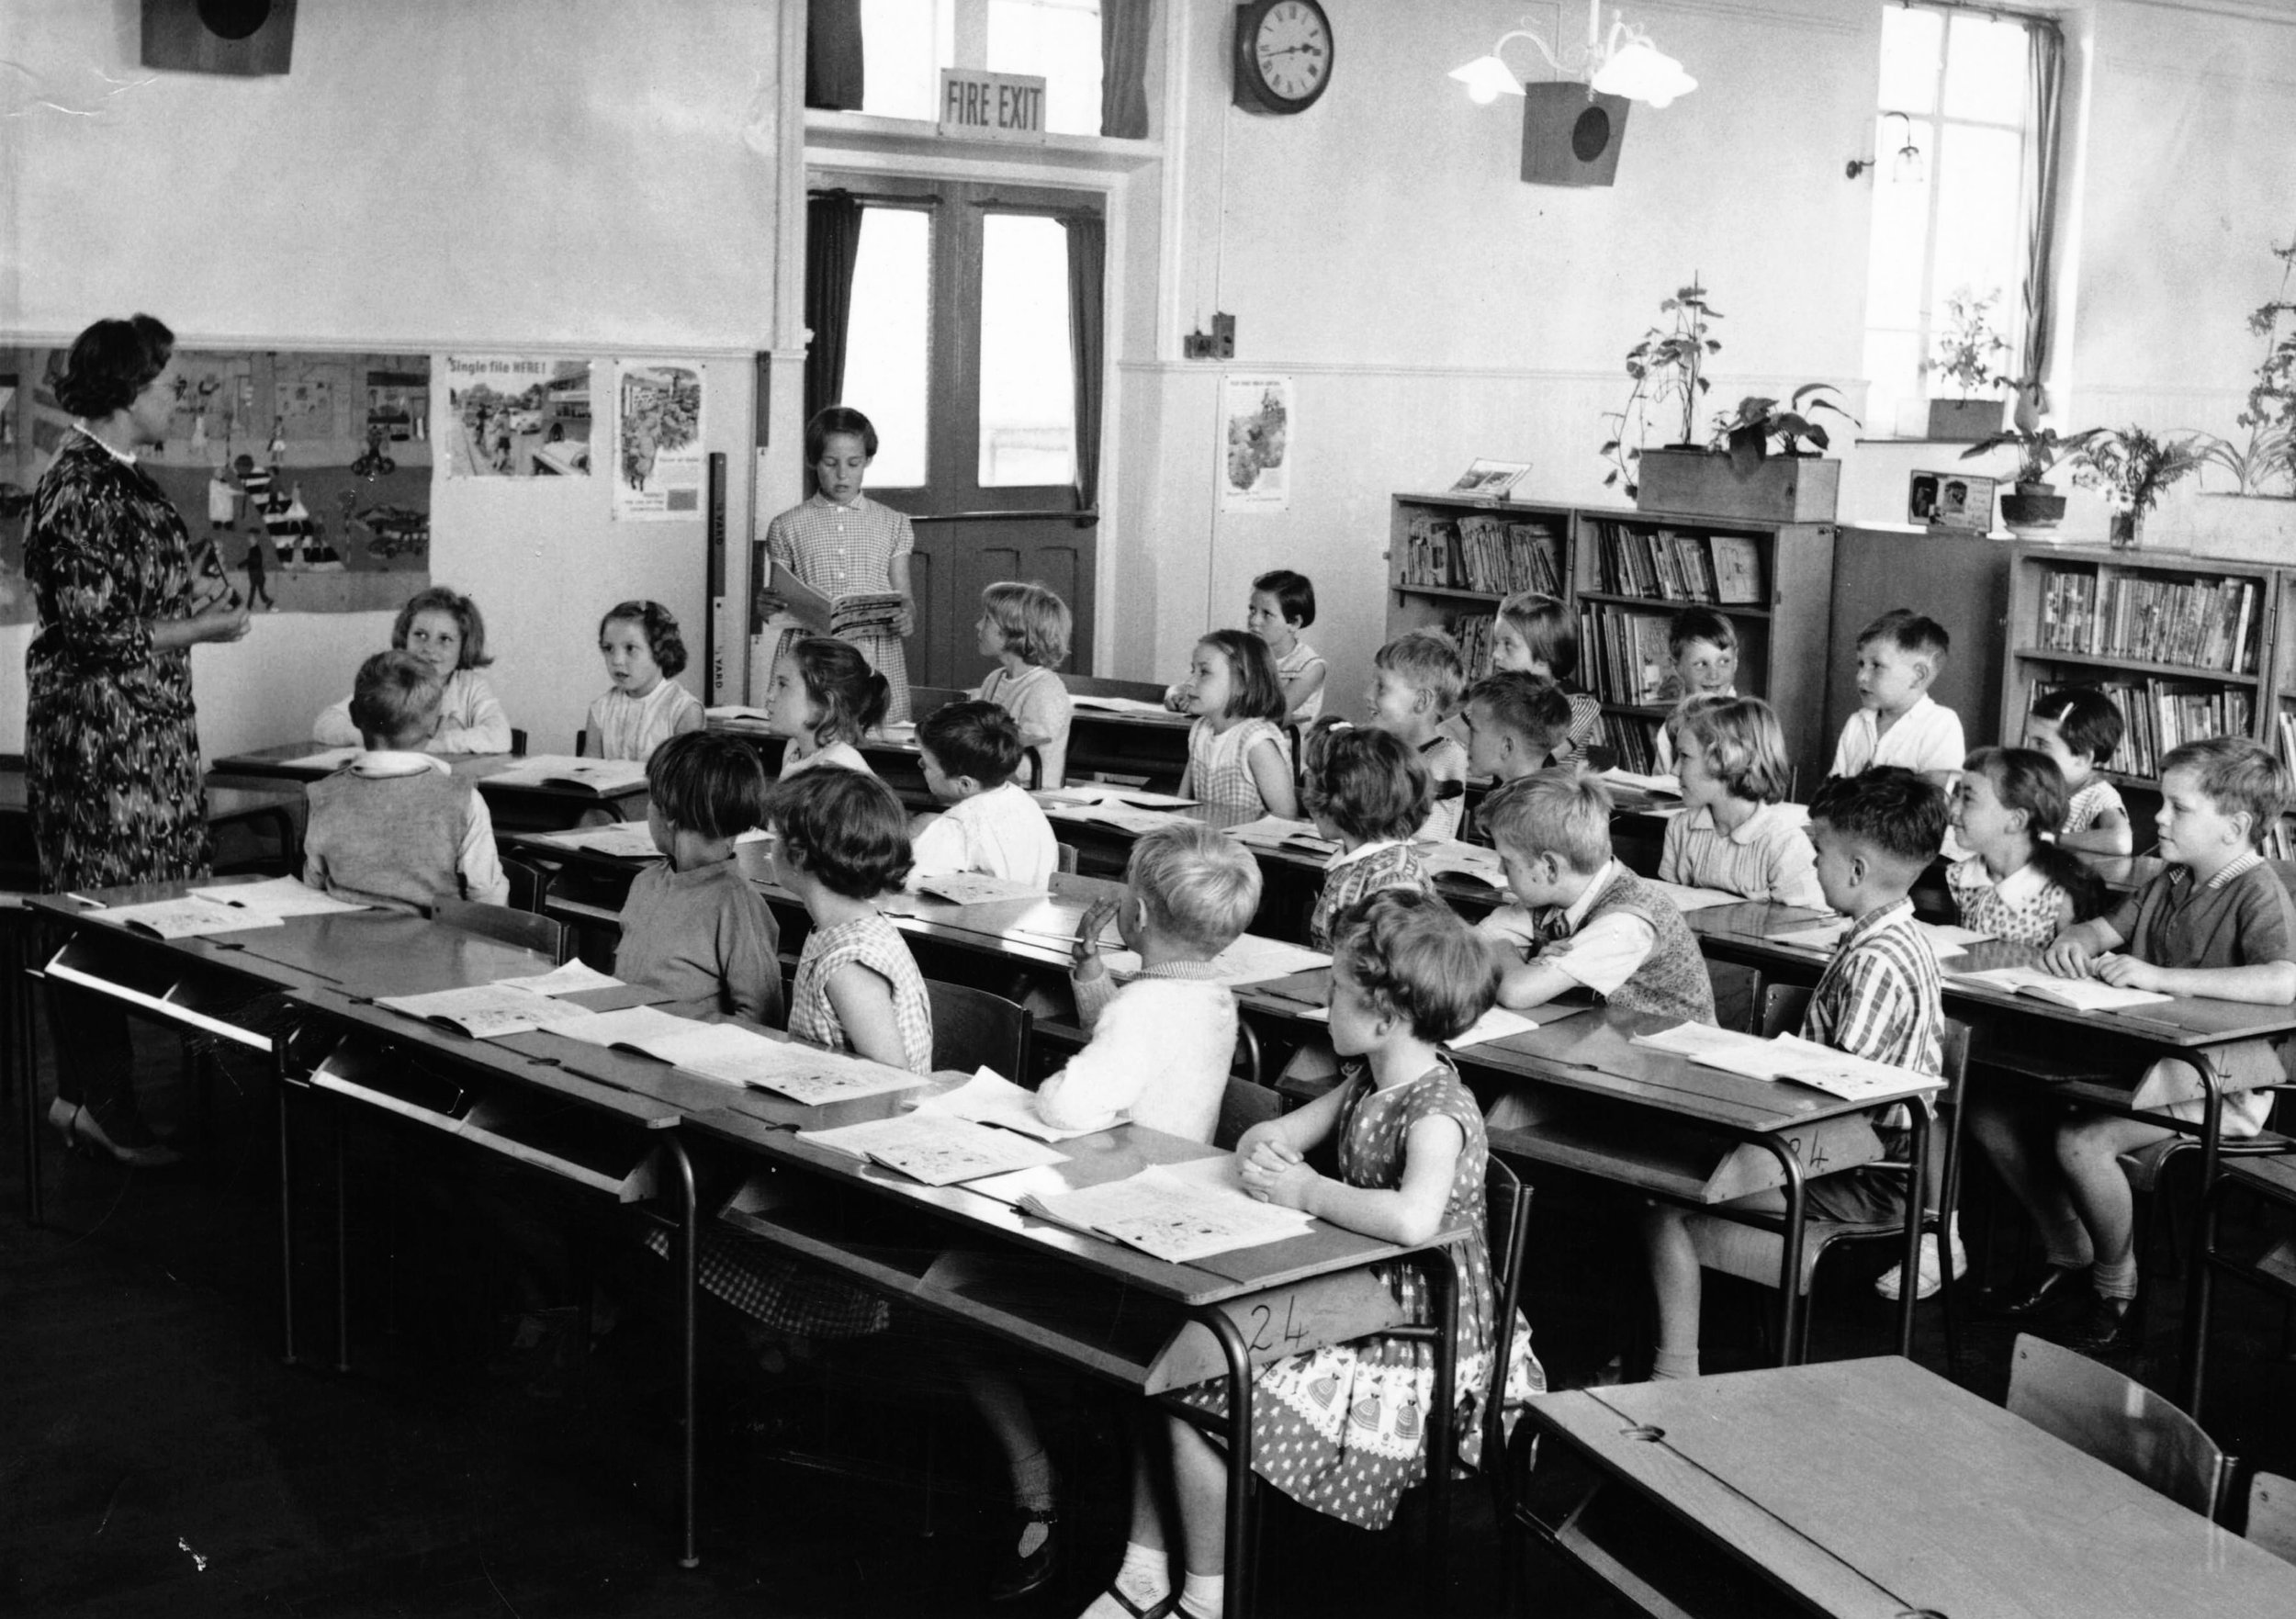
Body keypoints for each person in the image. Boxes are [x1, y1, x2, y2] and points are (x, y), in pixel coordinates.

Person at [1077, 890, 1542, 1619]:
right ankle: (1147, 1568)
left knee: (1197, 1390)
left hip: (1416, 1327)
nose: (1325, 1007)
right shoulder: (1367, 1081)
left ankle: (1204, 1598)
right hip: (1354, 1288)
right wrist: (1268, 1151)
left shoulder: (1439, 1110)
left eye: (1336, 994)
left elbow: (1413, 1219)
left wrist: (1305, 1190)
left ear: (1385, 1018)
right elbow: (1277, 1136)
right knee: (1165, 1351)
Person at [964, 823, 1260, 1602]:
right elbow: (1132, 1039)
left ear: (1133, 911)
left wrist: (1055, 1084)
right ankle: (1141, 1553)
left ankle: (1106, 1531)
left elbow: (1076, 1100)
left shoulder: (1149, 1008)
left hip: (1116, 1218)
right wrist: (1096, 978)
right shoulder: (1208, 992)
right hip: (1163, 1200)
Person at [26, 312, 252, 1165]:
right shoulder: (84, 484)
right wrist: (198, 632)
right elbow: (91, 632)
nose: (178, 399)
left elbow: (121, 603)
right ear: (125, 392)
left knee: (120, 915)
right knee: (105, 919)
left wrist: (187, 597)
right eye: (168, 385)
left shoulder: (112, 475)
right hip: (103, 747)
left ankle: (91, 1099)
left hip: (127, 738)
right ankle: (101, 1106)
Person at [1642, 767, 1949, 1377]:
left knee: (1663, 1202)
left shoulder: (1879, 961)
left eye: (1818, 853)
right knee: (1681, 1160)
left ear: (1857, 870)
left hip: (1867, 1167)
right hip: (1841, 1146)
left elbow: (1836, 1098)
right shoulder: (1879, 937)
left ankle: (1672, 1374)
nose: (1810, 864)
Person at [1995, 738, 2296, 1354]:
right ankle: (2069, 1246)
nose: (2156, 818)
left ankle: (2115, 1285)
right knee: (1991, 1107)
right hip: (2141, 1063)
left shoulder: (2258, 890)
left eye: (2177, 807)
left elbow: (2285, 979)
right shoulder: (2171, 878)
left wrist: (2160, 977)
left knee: (2081, 1141)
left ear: (2234, 827)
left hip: (2218, 1084)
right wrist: (2075, 939)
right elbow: (2102, 929)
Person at [1476, 770, 1715, 1025]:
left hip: (1676, 1055)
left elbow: (1516, 993)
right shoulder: (1552, 896)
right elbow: (1467, 944)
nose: (1501, 870)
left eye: (1507, 860)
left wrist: (1502, 949)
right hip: (1612, 1043)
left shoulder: (1626, 922)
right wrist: (1515, 961)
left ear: (1550, 868)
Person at [303, 652, 509, 914]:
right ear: (436, 726)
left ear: (353, 716)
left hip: (341, 946)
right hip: (435, 949)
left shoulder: (323, 795)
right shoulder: (463, 800)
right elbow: (487, 896)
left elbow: (314, 886)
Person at [613, 731, 782, 1025]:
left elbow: (762, 1017)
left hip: (682, 1057)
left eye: (651, 797)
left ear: (669, 813)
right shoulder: (644, 883)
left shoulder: (737, 904)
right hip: (623, 1039)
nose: (647, 807)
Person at [761, 405, 917, 722]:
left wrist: (906, 617)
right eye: (831, 463)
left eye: (854, 463)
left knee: (874, 734)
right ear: (813, 461)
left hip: (875, 653)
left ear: (868, 460)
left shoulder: (894, 523)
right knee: (812, 726)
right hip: (811, 652)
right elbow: (777, 603)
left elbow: (906, 600)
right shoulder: (787, 525)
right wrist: (766, 606)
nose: (843, 474)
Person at [774, 767, 935, 1072]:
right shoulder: (838, 927)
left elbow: (890, 1080)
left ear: (798, 856)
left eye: (776, 836)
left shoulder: (850, 964)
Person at [1659, 696, 1824, 907]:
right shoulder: (1680, 828)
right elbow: (1666, 909)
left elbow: (1807, 925)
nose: (1673, 770)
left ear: (1725, 759)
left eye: (1684, 756)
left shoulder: (1784, 843)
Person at [315, 586, 512, 755]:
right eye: (420, 635)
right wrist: (370, 738)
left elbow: (500, 736)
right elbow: (324, 724)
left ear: (464, 646)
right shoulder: (393, 680)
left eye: (444, 639)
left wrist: (427, 745)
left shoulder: (470, 688)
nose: (429, 649)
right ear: (405, 637)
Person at [1943, 748, 2103, 948]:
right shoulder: (1959, 877)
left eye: (1968, 799)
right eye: (1956, 795)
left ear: (2016, 820)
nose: (1953, 809)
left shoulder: (2059, 898)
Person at [1298, 722, 1435, 951]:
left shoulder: (1395, 879)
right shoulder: (1353, 861)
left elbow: (1396, 967)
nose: (1306, 799)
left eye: (1312, 785)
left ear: (1343, 801)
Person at [908, 700, 1059, 891]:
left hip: (976, 919)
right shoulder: (1024, 801)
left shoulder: (957, 825)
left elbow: (908, 885)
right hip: (1033, 914)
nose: (919, 764)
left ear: (964, 784)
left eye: (927, 763)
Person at [1174, 628, 1297, 826]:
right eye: (1192, 671)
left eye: (1204, 672)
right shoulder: (1200, 731)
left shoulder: (1256, 742)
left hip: (1250, 851)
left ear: (1241, 684)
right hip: (1209, 845)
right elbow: (1181, 804)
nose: (1189, 682)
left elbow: (1286, 818)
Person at [1829, 608, 1964, 787]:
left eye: (1876, 665)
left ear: (1918, 676)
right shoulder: (1856, 723)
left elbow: (1933, 805)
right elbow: (1832, 790)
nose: (1861, 676)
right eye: (1861, 664)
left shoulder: (1940, 725)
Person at [1366, 630, 1469, 842]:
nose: (1367, 694)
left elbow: (1417, 836)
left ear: (1421, 701)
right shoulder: (1383, 747)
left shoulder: (1447, 756)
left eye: (1381, 687)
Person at [974, 579, 1074, 790]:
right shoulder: (994, 679)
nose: (978, 625)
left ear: (1014, 631)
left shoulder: (1045, 689)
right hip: (991, 788)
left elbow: (1029, 764)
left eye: (987, 619)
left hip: (1028, 796)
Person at [584, 599, 704, 760]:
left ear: (660, 650)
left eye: (630, 648)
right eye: (608, 648)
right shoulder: (601, 709)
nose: (617, 660)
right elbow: (588, 771)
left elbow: (684, 779)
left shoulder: (683, 710)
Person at [1490, 591, 1601, 761]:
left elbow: (1539, 761)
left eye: (1508, 645)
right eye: (1496, 643)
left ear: (1543, 655)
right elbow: (1454, 731)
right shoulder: (1498, 694)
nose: (1495, 654)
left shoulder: (1579, 706)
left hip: (1547, 787)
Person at [2025, 687, 2134, 857]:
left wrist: (2052, 838)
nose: (2028, 751)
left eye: (2041, 744)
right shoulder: (2033, 785)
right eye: (2028, 739)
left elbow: (2121, 842)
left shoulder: (2098, 797)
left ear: (2082, 757)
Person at [765, 635, 890, 779]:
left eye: (782, 685)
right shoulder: (795, 749)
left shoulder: (837, 771)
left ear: (825, 703)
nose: (770, 695)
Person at [1650, 608, 1739, 774]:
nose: (1714, 675)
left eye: (1723, 661)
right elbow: (1659, 785)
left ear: (1736, 661)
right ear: (1677, 666)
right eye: (1701, 664)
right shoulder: (1672, 727)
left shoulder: (1746, 724)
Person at [1460, 671, 1570, 787]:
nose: (1464, 739)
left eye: (1473, 731)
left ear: (1506, 747)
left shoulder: (1515, 803)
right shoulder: (1538, 796)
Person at [1247, 568, 1327, 723]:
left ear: (1294, 623)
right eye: (1252, 610)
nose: (1254, 621)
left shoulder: (1311, 667)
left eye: (1266, 614)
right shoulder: (1244, 655)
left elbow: (1275, 714)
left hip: (1287, 744)